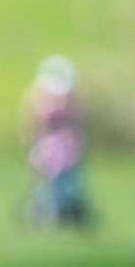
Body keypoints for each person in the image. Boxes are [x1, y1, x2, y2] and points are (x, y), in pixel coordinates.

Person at [20, 54, 90, 226]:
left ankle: (64, 211)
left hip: (66, 147)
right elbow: (32, 122)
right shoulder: (41, 101)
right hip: (50, 147)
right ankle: (50, 211)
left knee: (66, 182)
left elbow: (80, 120)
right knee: (48, 183)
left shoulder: (70, 101)